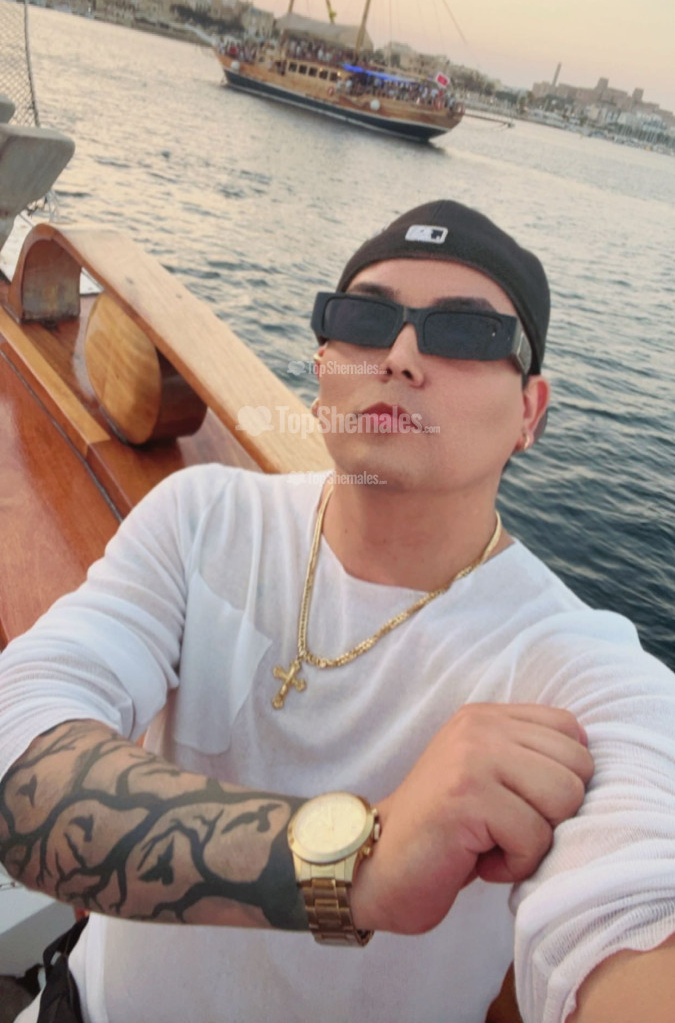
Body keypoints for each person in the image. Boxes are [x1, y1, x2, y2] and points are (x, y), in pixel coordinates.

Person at [1, 199, 674, 1023]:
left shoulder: (569, 665)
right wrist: (357, 865)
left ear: (529, 413)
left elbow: (633, 900)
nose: (400, 356)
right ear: (322, 366)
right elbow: (17, 751)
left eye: (466, 333)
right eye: (364, 320)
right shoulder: (202, 520)